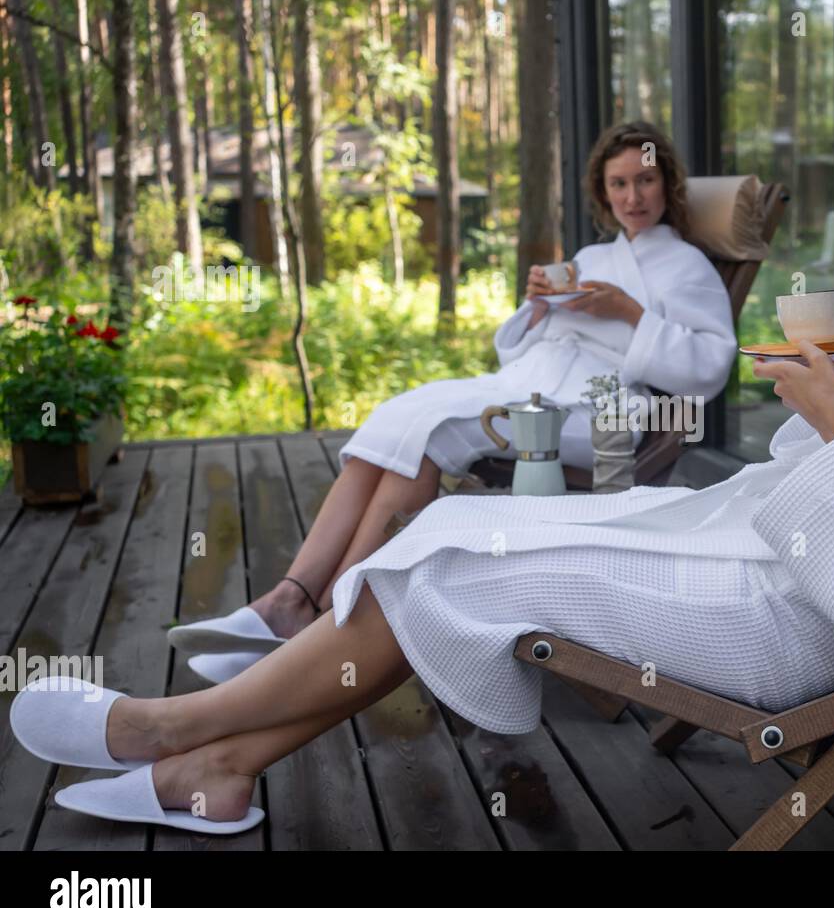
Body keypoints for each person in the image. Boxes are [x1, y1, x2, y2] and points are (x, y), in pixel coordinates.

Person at [12, 109, 834, 833]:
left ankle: (176, 730)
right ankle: (215, 763)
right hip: (767, 554)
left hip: (801, 621)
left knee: (462, 562)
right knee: (441, 536)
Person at [166, 121, 736, 679]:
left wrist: (630, 316)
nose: (632, 196)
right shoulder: (590, 258)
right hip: (530, 384)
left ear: (667, 186)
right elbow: (515, 350)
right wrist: (538, 306)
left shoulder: (688, 266)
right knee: (394, 419)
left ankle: (324, 622)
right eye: (618, 184)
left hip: (600, 411)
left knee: (437, 430)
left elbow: (711, 366)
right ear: (602, 193)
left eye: (645, 181)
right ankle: (288, 598)